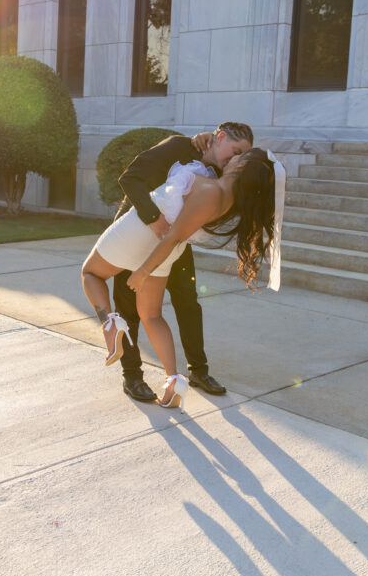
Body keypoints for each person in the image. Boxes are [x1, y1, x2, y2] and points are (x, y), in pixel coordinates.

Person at [81, 147, 279, 409]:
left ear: (242, 168)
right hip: (168, 251)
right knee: (151, 316)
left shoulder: (211, 191)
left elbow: (173, 233)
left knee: (91, 273)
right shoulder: (228, 199)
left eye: (238, 158)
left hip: (144, 230)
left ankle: (109, 324)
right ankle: (173, 381)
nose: (231, 159)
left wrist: (142, 271)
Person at [113, 123, 254, 402]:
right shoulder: (179, 146)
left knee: (188, 304)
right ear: (220, 137)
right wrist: (155, 218)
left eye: (242, 156)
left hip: (174, 246)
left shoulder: (220, 174)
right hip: (133, 238)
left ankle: (199, 371)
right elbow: (129, 178)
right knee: (128, 310)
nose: (235, 159)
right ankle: (132, 376)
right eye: (235, 151)